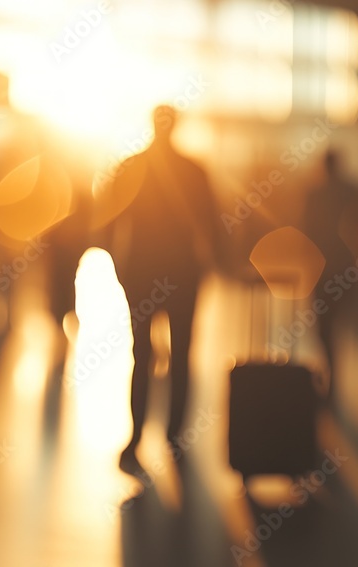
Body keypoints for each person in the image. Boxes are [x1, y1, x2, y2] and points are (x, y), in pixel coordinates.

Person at [106, 105, 223, 474]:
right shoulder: (193, 171)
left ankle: (138, 436)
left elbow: (108, 222)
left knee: (142, 355)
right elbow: (214, 226)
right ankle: (174, 435)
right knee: (181, 354)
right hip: (182, 275)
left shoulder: (132, 167)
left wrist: (119, 270)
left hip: (142, 275)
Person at [300, 150, 358, 402]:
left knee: (323, 326)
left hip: (323, 270)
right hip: (345, 269)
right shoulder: (354, 194)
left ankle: (331, 371)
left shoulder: (314, 195)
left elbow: (304, 232)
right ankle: (334, 373)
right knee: (336, 323)